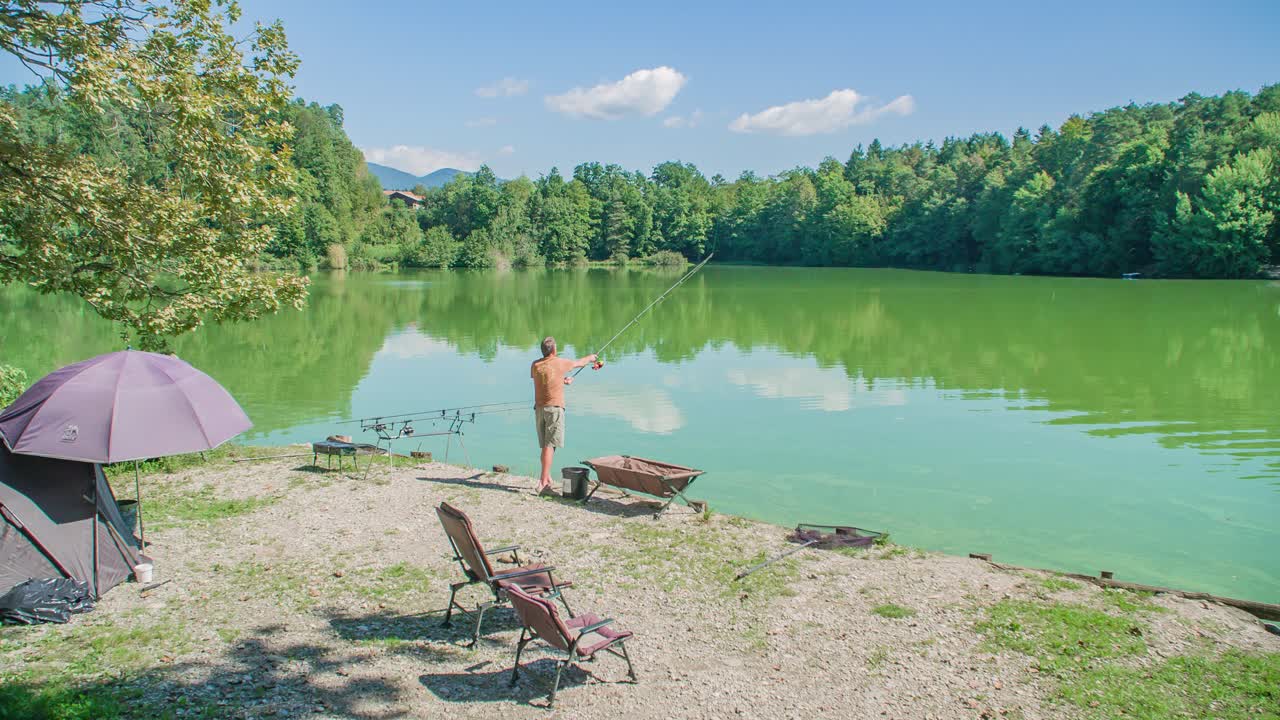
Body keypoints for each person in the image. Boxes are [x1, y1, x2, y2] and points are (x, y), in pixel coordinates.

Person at [530, 336, 596, 494]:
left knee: (547, 446)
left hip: (539, 409)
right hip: (554, 409)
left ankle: (546, 478)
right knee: (550, 445)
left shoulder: (535, 365)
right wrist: (592, 357)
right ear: (554, 350)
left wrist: (561, 381)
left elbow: (545, 379)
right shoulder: (559, 362)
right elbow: (579, 363)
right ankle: (543, 483)